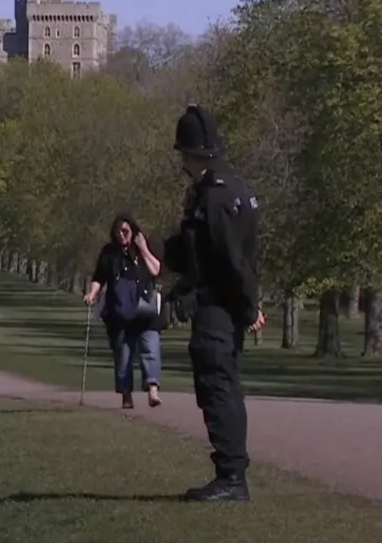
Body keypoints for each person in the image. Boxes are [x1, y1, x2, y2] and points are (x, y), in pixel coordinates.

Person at [162, 104, 264, 502]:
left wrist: (249, 308)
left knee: (218, 385)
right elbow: (198, 249)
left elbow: (231, 262)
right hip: (221, 304)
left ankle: (232, 478)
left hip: (219, 306)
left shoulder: (218, 197)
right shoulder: (224, 190)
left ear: (192, 155)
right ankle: (230, 474)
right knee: (219, 385)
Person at [84, 214, 164, 409]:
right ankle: (126, 394)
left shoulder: (142, 248)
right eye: (118, 231)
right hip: (120, 311)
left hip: (146, 310)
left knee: (151, 349)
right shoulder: (109, 252)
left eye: (125, 231)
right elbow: (99, 276)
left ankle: (153, 390)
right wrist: (93, 293)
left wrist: (143, 248)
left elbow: (156, 270)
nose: (122, 235)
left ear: (133, 231)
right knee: (124, 355)